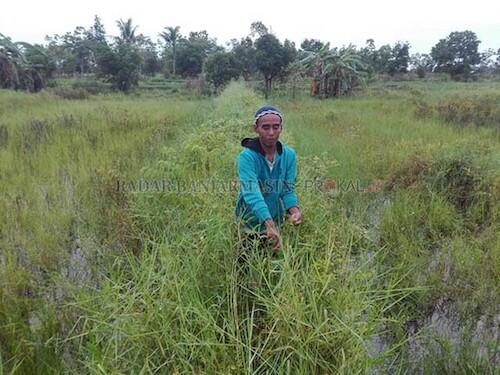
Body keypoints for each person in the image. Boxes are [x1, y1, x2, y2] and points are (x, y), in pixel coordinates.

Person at [235, 105, 302, 251]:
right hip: (250, 222)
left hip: (276, 220)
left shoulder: (289, 155)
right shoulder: (247, 157)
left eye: (275, 127)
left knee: (272, 266)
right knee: (246, 265)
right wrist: (269, 225)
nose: (271, 132)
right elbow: (251, 193)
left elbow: (287, 190)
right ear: (256, 128)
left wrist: (294, 212)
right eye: (265, 127)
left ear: (281, 128)